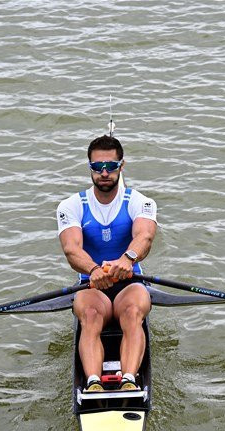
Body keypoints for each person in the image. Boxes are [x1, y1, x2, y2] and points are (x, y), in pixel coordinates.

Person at [57, 135, 157, 392]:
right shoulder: (71, 205)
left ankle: (129, 380)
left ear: (121, 167)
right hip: (91, 286)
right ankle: (92, 383)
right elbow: (71, 250)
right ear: (89, 167)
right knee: (89, 316)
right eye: (97, 166)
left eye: (111, 166)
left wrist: (128, 259)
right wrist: (93, 270)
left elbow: (144, 237)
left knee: (133, 312)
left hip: (130, 283)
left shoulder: (141, 202)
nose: (104, 172)